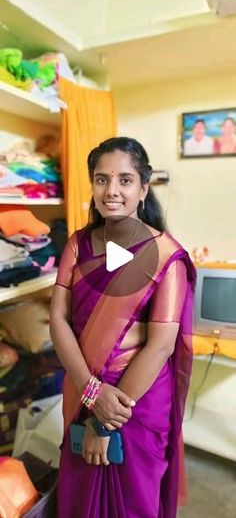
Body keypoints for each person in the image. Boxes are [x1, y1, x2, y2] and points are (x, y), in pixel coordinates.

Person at [50, 137, 196, 518]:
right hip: (82, 390)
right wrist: (90, 391)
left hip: (137, 403)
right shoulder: (78, 245)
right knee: (78, 496)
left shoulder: (168, 257)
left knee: (134, 502)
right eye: (101, 179)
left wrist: (104, 420)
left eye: (125, 180)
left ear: (143, 188)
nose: (111, 190)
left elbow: (161, 346)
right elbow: (58, 321)